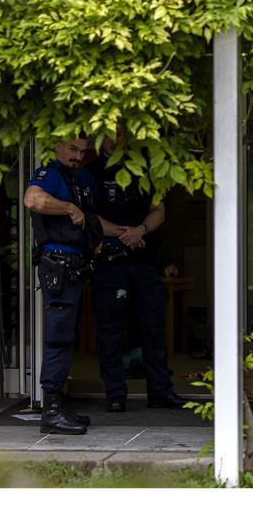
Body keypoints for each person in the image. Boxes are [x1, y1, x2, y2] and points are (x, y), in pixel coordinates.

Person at [88, 130, 189, 412]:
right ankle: (115, 393)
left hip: (144, 260)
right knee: (111, 331)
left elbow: (159, 209)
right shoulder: (91, 172)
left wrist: (141, 230)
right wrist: (127, 234)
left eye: (118, 133)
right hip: (109, 262)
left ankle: (160, 391)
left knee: (154, 328)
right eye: (106, 133)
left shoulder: (145, 168)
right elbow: (88, 215)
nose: (112, 139)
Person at [24, 135, 101, 435]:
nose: (78, 155)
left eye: (82, 151)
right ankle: (51, 410)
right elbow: (33, 199)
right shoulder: (51, 175)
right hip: (58, 266)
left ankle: (58, 404)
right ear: (56, 145)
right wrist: (69, 208)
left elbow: (91, 219)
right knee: (58, 337)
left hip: (74, 267)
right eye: (72, 148)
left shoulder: (77, 178)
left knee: (67, 337)